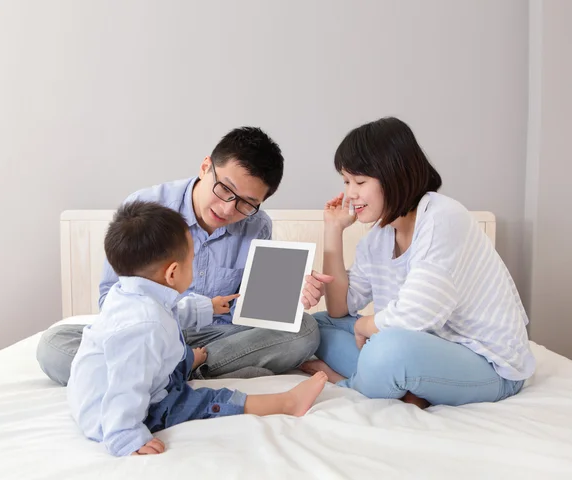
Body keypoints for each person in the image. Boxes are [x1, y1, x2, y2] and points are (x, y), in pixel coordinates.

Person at [38, 127, 331, 385]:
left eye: (246, 203)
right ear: (206, 167)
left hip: (216, 339)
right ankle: (200, 370)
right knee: (54, 345)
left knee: (305, 330)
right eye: (225, 189)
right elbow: (110, 299)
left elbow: (250, 312)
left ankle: (167, 373)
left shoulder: (257, 225)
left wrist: (287, 295)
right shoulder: (146, 208)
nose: (229, 209)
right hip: (147, 336)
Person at [300, 117, 535, 408]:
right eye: (346, 181)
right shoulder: (378, 238)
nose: (350, 193)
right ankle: (403, 385)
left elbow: (416, 316)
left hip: (488, 364)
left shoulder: (442, 217)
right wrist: (333, 230)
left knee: (386, 349)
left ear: (394, 175)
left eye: (360, 181)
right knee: (315, 326)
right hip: (424, 350)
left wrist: (365, 327)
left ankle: (347, 382)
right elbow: (337, 310)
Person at [67, 201, 327, 456]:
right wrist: (125, 437)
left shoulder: (129, 292)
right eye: (191, 261)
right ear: (172, 274)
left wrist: (209, 307)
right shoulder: (144, 327)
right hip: (111, 413)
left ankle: (191, 362)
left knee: (176, 351)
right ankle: (286, 403)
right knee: (206, 400)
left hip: (115, 386)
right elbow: (126, 387)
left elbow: (175, 310)